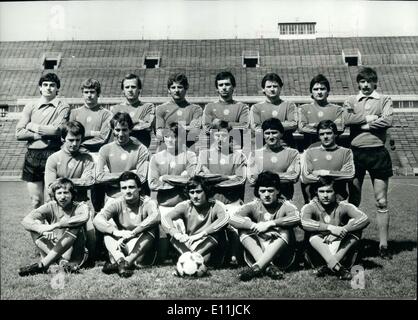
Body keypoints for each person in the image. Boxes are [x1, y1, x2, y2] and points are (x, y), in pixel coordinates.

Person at [343, 67, 394, 259]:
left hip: (378, 153)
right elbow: (346, 119)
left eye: (368, 82)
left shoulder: (384, 99)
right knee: (354, 200)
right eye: (361, 82)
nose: (365, 85)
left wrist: (364, 125)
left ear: (375, 83)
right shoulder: (350, 100)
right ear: (358, 83)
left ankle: (383, 245)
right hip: (356, 153)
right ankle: (352, 243)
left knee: (381, 201)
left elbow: (388, 120)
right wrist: (369, 118)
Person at [230, 171, 300, 281]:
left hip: (282, 257)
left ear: (278, 191)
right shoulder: (253, 205)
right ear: (258, 192)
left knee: (285, 230)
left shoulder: (285, 205)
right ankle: (266, 267)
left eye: (271, 191)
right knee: (243, 229)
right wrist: (254, 225)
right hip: (257, 253)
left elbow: (296, 218)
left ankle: (257, 268)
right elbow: (233, 218)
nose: (266, 194)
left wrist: (269, 224)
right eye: (262, 191)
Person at [44, 120, 96, 264]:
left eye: (78, 140)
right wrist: (76, 182)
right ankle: (57, 256)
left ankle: (90, 257)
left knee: (91, 232)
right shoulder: (53, 159)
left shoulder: (87, 158)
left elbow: (89, 182)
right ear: (63, 139)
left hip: (81, 202)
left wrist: (62, 181)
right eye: (70, 140)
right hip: (59, 204)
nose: (74, 144)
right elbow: (50, 187)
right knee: (59, 234)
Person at [196, 120, 247, 265]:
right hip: (211, 203)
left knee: (235, 228)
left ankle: (235, 255)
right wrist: (225, 177)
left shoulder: (239, 156)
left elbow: (240, 180)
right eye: (216, 135)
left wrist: (212, 179)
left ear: (230, 137)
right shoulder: (204, 154)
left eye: (223, 135)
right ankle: (215, 255)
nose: (219, 138)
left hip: (232, 202)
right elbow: (200, 176)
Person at [16, 73, 70, 209]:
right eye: (45, 85)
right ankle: (37, 230)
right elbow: (19, 133)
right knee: (35, 201)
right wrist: (39, 135)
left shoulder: (63, 106)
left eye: (52, 85)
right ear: (40, 88)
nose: (48, 88)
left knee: (52, 199)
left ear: (57, 88)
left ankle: (53, 229)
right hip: (32, 155)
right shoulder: (30, 106)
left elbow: (56, 131)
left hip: (53, 153)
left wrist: (31, 126)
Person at [301, 177, 370, 280]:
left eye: (329, 191)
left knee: (355, 229)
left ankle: (330, 264)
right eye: (321, 191)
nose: (325, 195)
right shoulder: (310, 206)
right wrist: (330, 228)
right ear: (316, 192)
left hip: (339, 247)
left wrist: (343, 230)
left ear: (335, 192)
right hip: (319, 247)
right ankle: (338, 268)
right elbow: (304, 222)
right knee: (312, 233)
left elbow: (364, 218)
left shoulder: (343, 206)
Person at [18, 178, 91, 276]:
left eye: (66, 193)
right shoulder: (50, 206)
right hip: (54, 248)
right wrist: (42, 230)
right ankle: (61, 262)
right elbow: (26, 220)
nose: (62, 197)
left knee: (76, 226)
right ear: (54, 195)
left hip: (74, 253)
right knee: (34, 227)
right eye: (59, 193)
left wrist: (55, 225)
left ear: (72, 194)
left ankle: (43, 265)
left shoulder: (80, 206)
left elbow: (84, 217)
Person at [93, 171, 160, 278]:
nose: (127, 191)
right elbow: (97, 219)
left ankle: (126, 263)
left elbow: (155, 217)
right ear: (120, 190)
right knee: (108, 230)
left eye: (131, 187)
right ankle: (120, 261)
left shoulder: (148, 202)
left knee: (152, 228)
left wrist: (133, 233)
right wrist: (117, 232)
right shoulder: (117, 202)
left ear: (139, 188)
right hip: (122, 244)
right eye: (124, 188)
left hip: (141, 249)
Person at [148, 122, 197, 263]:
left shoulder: (190, 155)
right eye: (167, 136)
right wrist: (180, 180)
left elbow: (191, 180)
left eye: (175, 136)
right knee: (162, 254)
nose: (170, 140)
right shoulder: (156, 157)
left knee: (186, 244)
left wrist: (166, 178)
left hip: (185, 206)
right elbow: (153, 183)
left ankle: (186, 254)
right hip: (164, 206)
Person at [161, 175, 229, 267]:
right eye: (191, 192)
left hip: (209, 245)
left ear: (206, 191)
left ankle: (187, 260)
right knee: (172, 234)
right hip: (191, 243)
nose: (195, 196)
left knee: (218, 233)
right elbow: (165, 218)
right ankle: (190, 259)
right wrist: (176, 234)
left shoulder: (216, 205)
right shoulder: (186, 205)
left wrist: (201, 234)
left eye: (198, 192)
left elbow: (224, 219)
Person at [95, 112, 150, 211]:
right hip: (113, 198)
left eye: (124, 130)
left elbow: (141, 178)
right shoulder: (105, 149)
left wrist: (112, 178)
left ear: (130, 130)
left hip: (135, 198)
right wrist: (129, 174)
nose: (121, 134)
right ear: (112, 130)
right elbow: (99, 177)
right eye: (117, 130)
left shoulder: (141, 149)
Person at [300, 120, 355, 202]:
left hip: (339, 198)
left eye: (329, 133)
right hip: (316, 198)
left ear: (335, 134)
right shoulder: (310, 152)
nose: (325, 136)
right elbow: (306, 177)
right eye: (322, 134)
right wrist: (338, 174)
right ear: (318, 136)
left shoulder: (346, 152)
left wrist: (324, 172)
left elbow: (350, 174)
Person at [247, 118, 300, 200]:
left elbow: (293, 177)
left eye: (274, 133)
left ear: (281, 134)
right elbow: (252, 179)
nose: (271, 137)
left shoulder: (293, 153)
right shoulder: (255, 154)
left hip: (284, 200)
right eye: (267, 133)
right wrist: (282, 175)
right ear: (263, 135)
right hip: (262, 202)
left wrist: (263, 177)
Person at [203, 71, 249, 149]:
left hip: (235, 149)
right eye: (221, 85)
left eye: (227, 84)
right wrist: (233, 125)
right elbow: (207, 128)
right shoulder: (209, 107)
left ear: (233, 87)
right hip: (215, 150)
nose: (224, 87)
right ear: (217, 89)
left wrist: (223, 124)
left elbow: (244, 126)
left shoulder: (242, 107)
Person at [297, 74, 345, 150]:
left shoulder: (337, 109)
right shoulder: (304, 109)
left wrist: (313, 125)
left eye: (322, 89)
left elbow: (339, 128)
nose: (319, 92)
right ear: (311, 92)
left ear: (328, 91)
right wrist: (328, 127)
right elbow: (302, 128)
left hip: (332, 150)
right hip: (310, 149)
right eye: (316, 89)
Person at [156, 73, 202, 150]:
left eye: (180, 87)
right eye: (173, 87)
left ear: (186, 88)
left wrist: (170, 130)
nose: (176, 90)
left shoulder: (196, 109)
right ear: (169, 90)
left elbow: (194, 132)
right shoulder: (161, 109)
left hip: (187, 149)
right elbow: (159, 133)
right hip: (167, 150)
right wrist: (185, 128)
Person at [250, 72, 297, 148]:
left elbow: (294, 124)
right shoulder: (256, 107)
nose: (272, 89)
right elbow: (256, 127)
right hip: (263, 146)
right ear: (263, 89)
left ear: (280, 88)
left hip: (285, 146)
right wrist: (281, 125)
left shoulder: (290, 105)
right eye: (269, 87)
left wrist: (267, 125)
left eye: (275, 86)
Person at [69, 78, 112, 158]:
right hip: (76, 153)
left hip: (96, 154)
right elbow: (69, 135)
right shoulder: (74, 113)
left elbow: (103, 138)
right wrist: (93, 133)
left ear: (98, 94)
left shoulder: (106, 114)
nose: (89, 95)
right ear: (82, 94)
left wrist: (80, 144)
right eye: (86, 92)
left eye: (92, 92)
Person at [110, 73, 155, 148]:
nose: (130, 90)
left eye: (133, 87)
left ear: (139, 89)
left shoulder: (148, 106)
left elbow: (147, 126)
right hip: (120, 149)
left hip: (140, 149)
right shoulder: (115, 109)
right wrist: (138, 122)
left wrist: (123, 125)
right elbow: (113, 129)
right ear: (123, 91)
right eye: (127, 87)